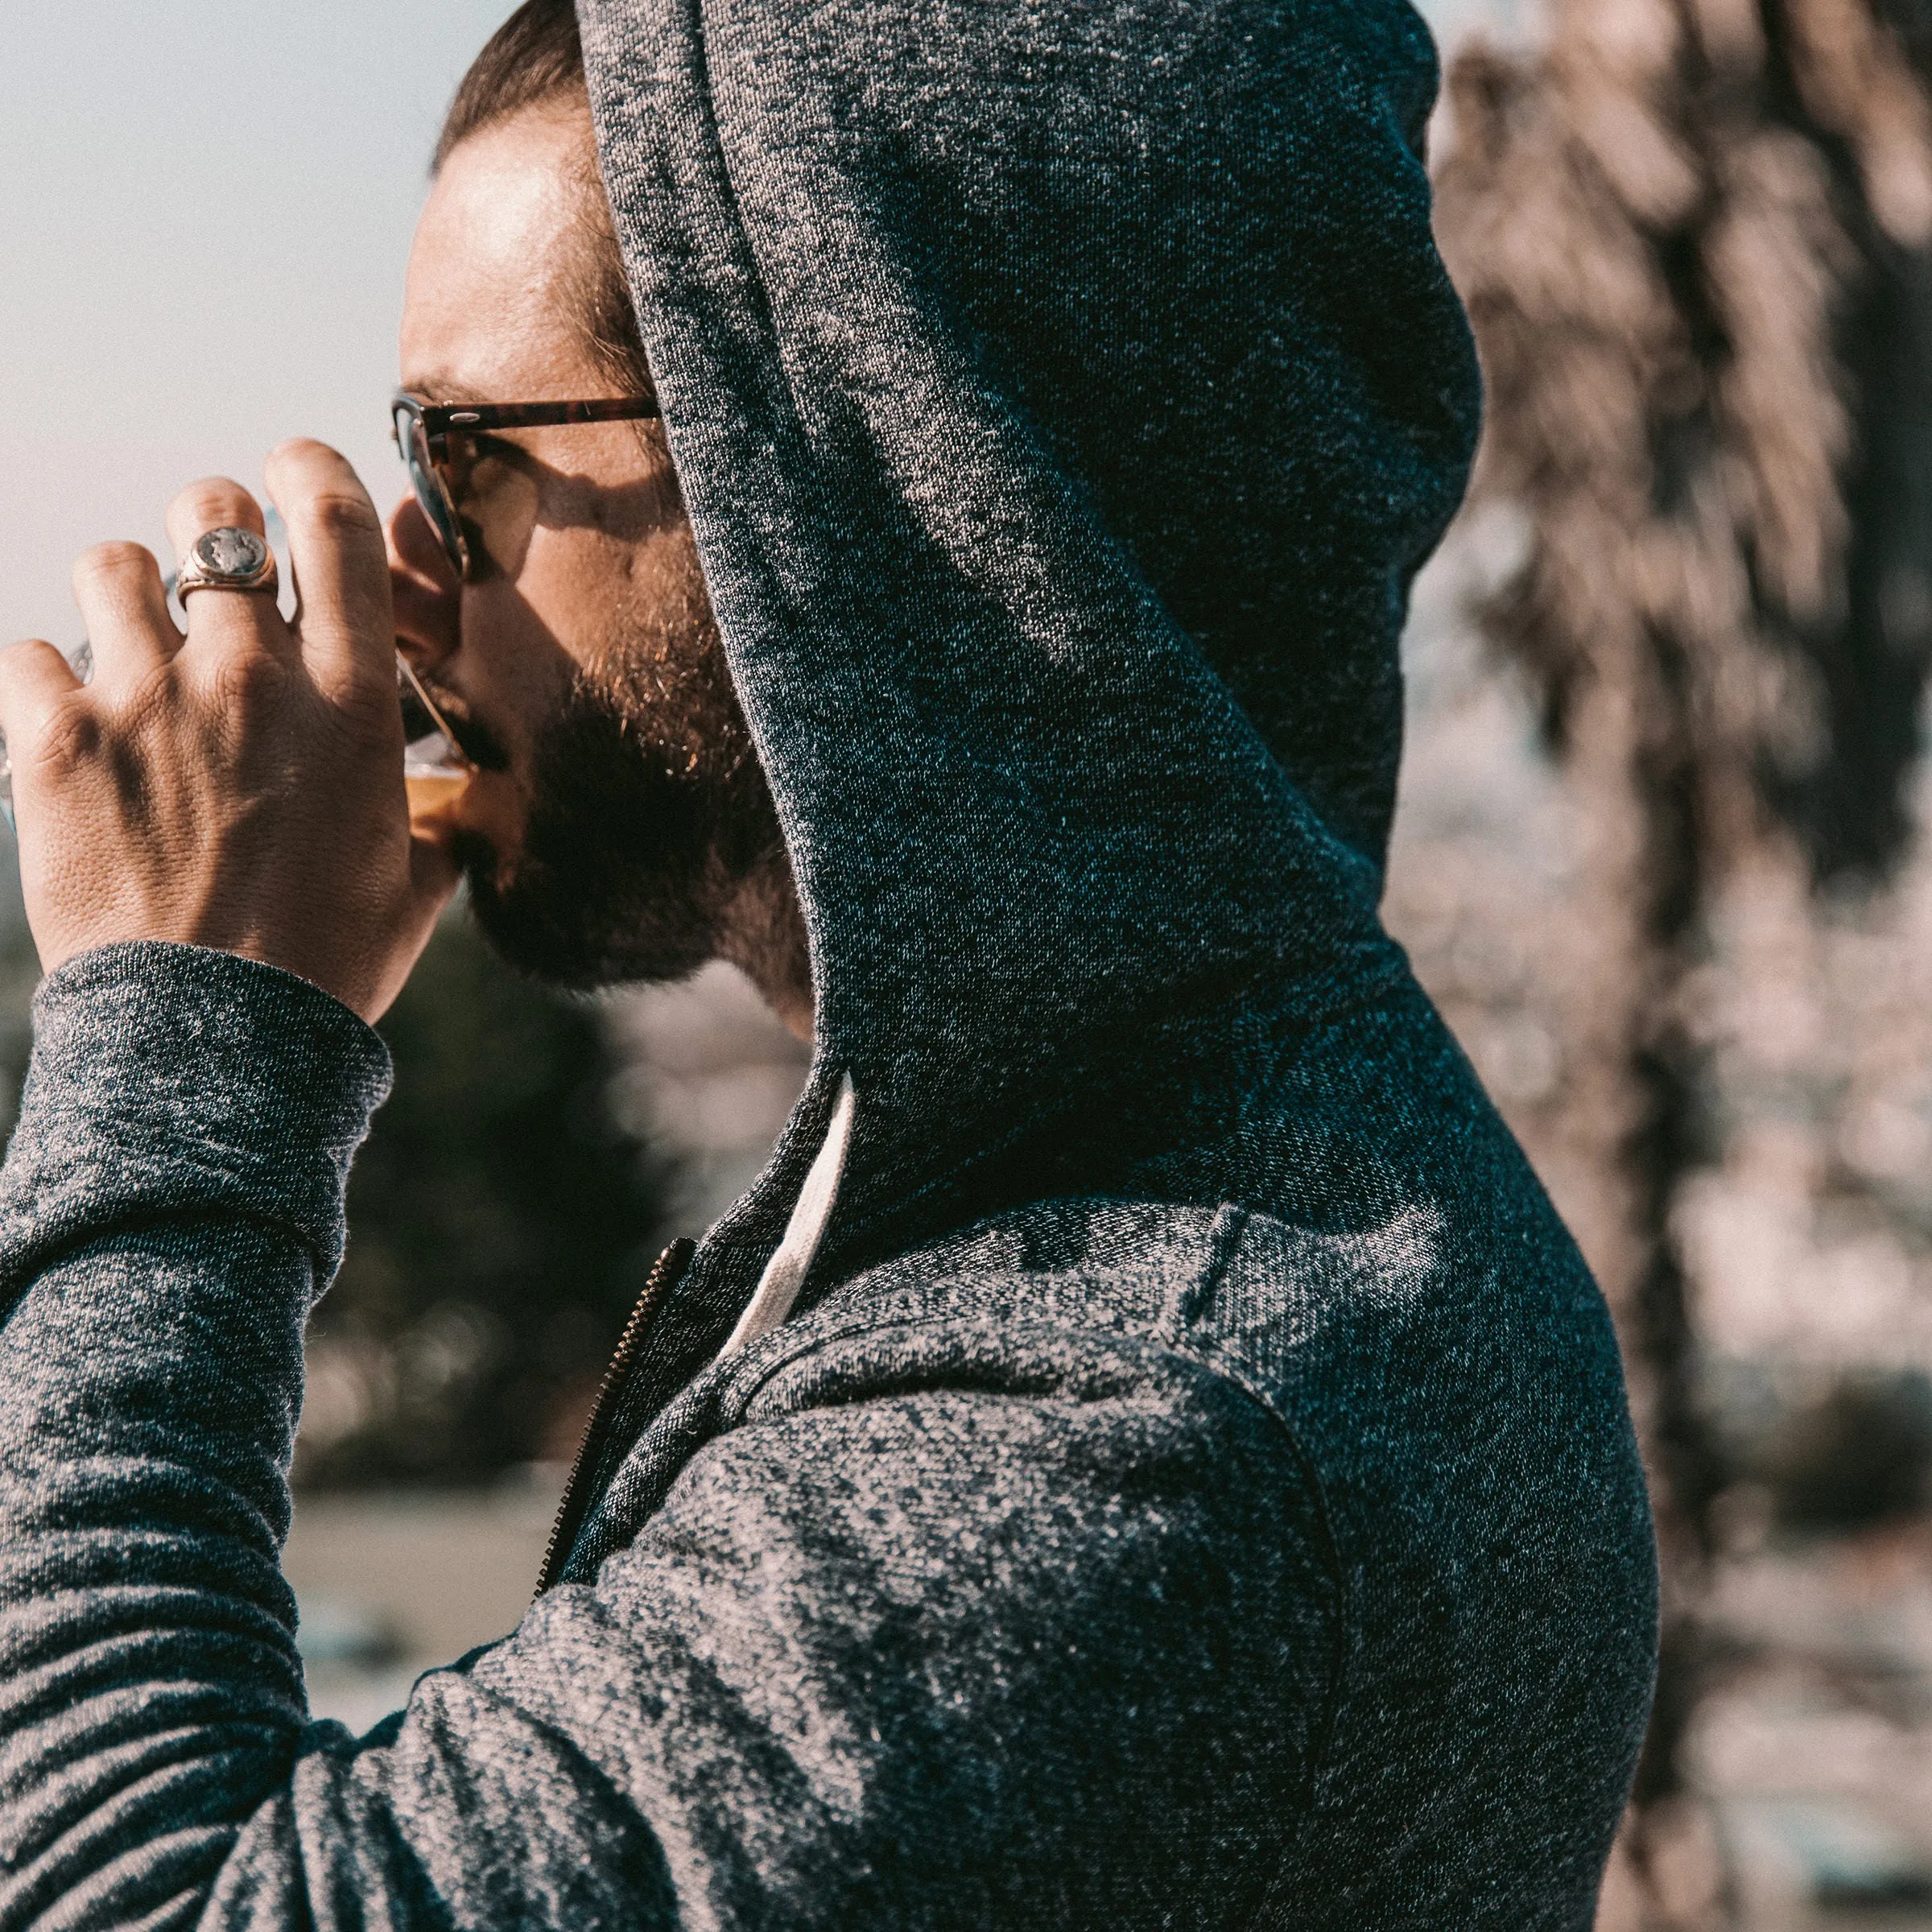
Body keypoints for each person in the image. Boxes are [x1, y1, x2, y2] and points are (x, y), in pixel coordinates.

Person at [0, 0, 1657, 1924]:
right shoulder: (1189, 1202)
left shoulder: (1131, 1428)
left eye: (466, 456)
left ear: (862, 475)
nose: (403, 578)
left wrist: (183, 1036)